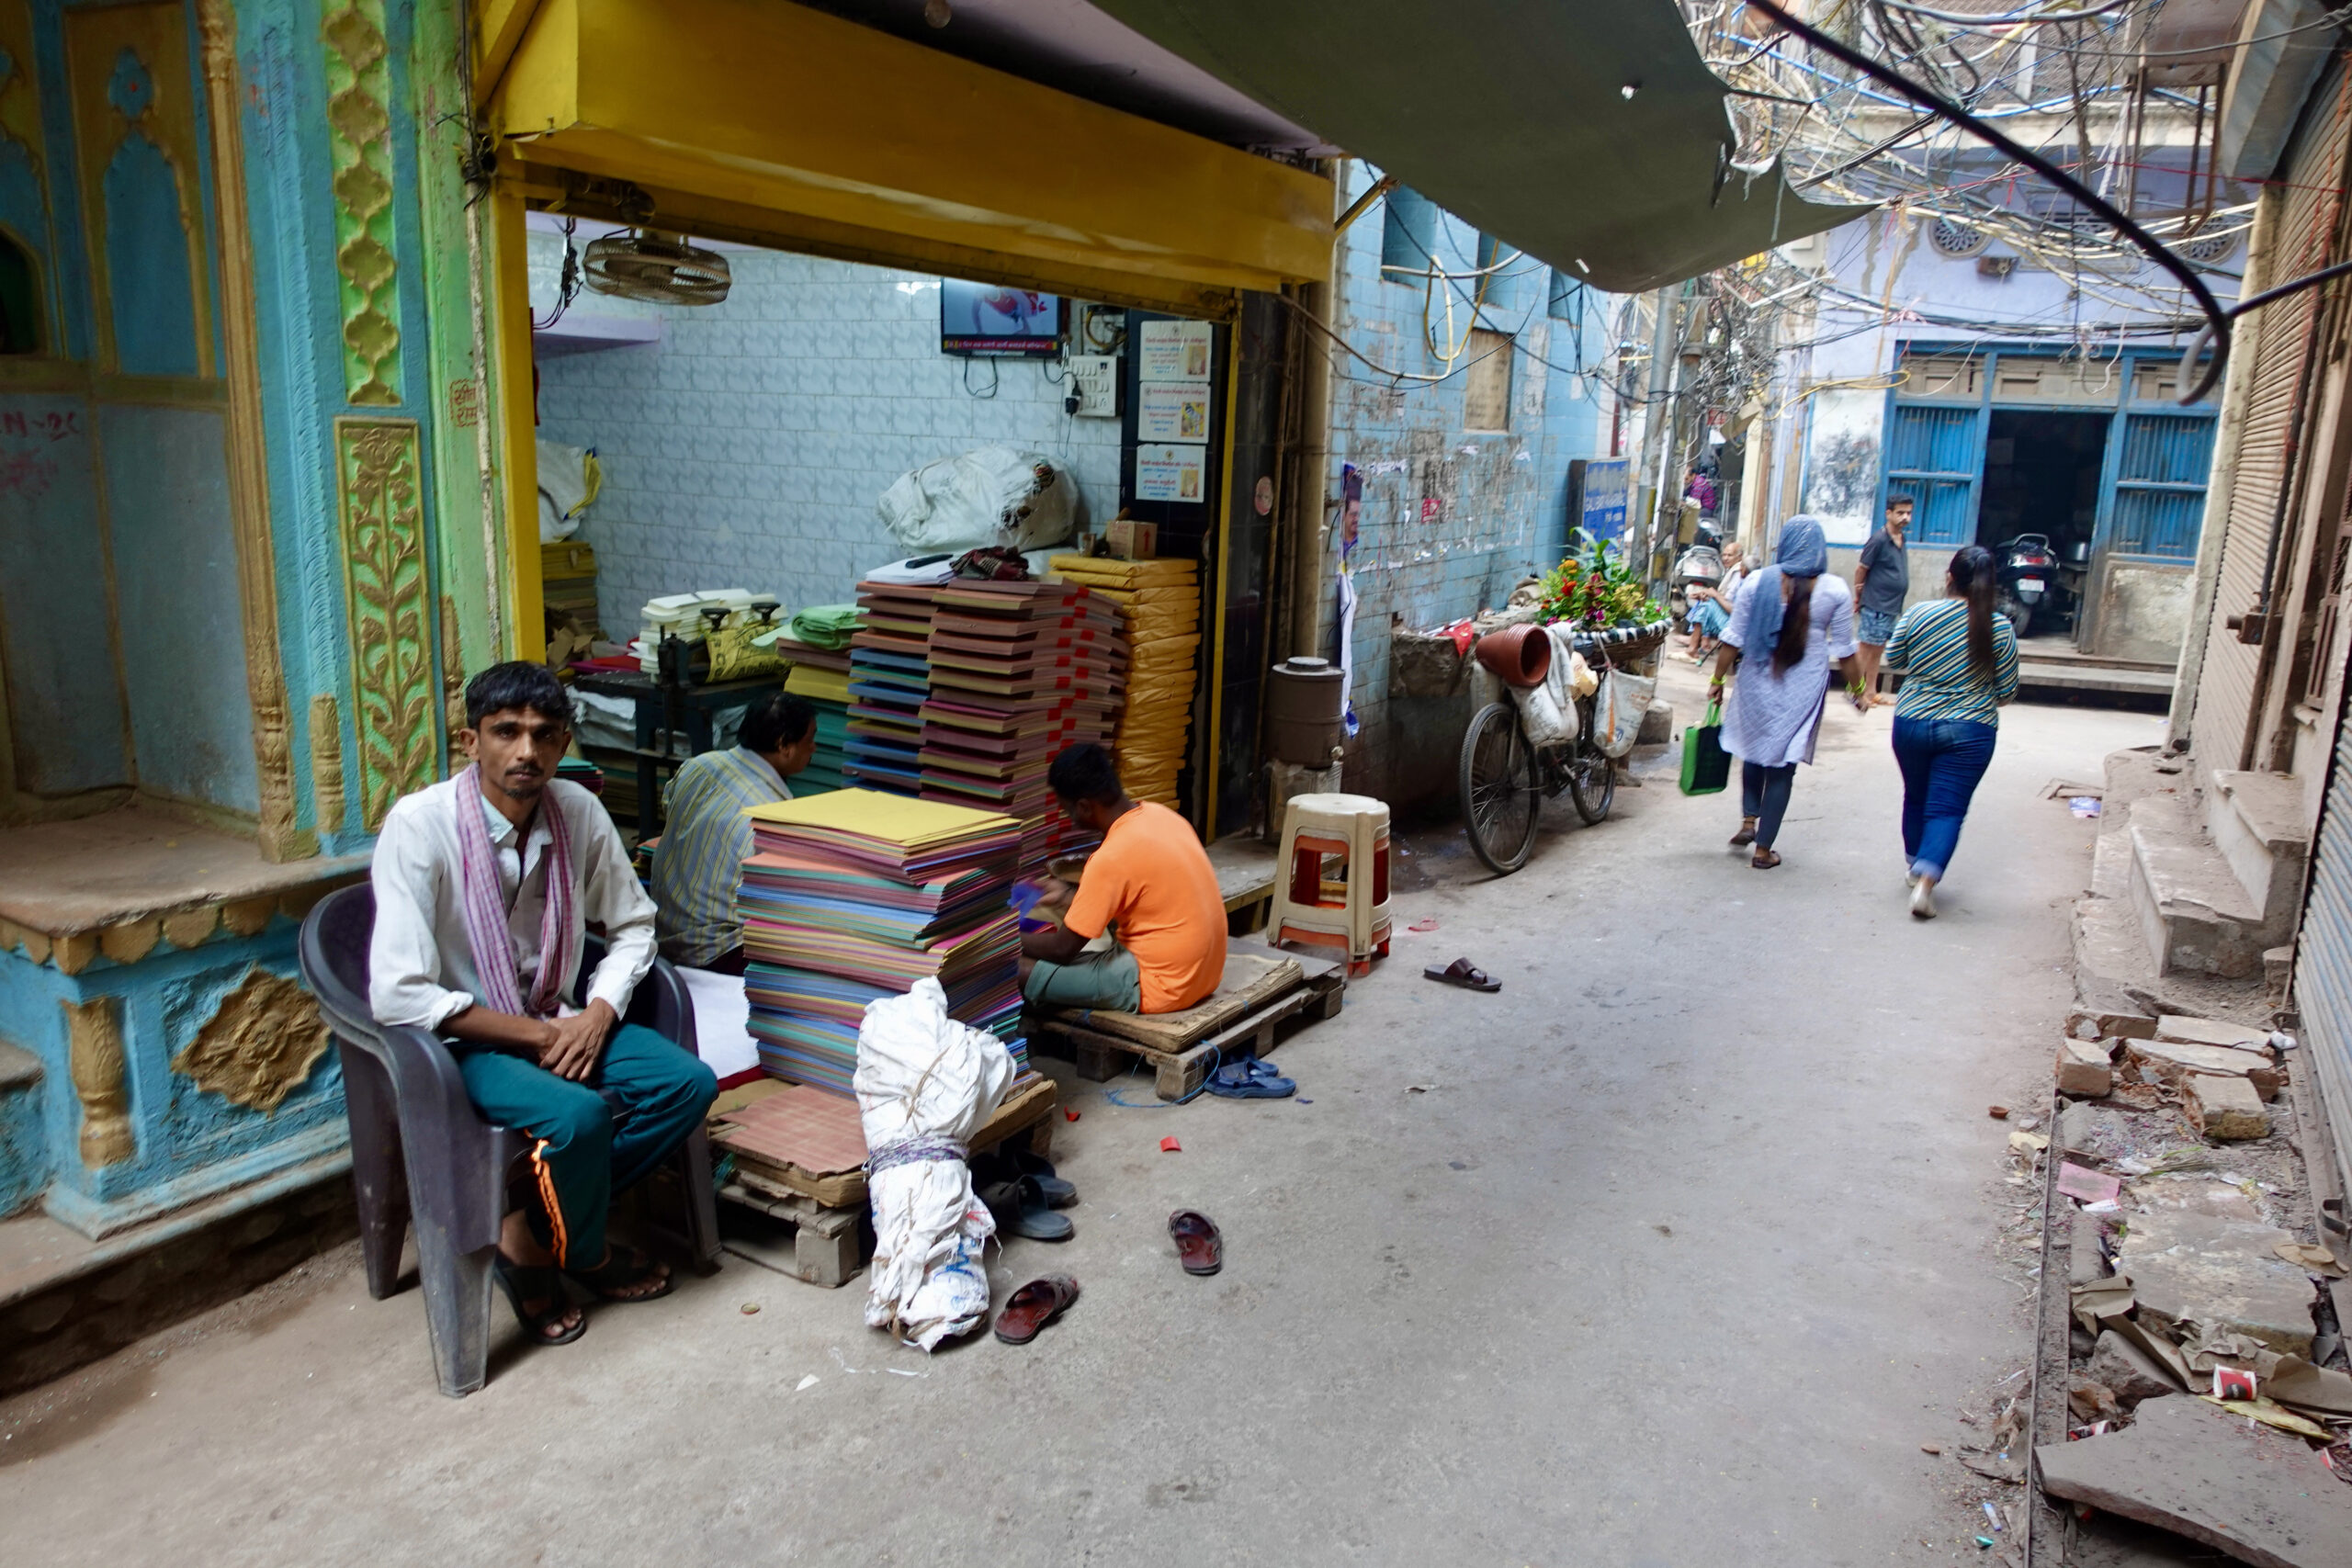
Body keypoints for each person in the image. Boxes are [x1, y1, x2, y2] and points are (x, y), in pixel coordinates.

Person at [369, 662, 718, 1348]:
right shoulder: (419, 826)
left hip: (560, 1017)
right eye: (506, 732)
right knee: (580, 1116)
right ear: (472, 741)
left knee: (688, 1084)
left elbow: (634, 925)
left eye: (544, 735)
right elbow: (399, 991)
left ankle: (528, 1217)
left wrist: (595, 1015)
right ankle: (579, 1252)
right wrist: (534, 1035)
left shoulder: (578, 810)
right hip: (463, 1040)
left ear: (563, 744)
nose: (526, 751)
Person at [1710, 516, 1869, 870]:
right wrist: (1859, 689)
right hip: (1803, 685)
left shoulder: (1756, 584)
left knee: (1753, 749)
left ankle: (1749, 821)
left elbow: (1732, 639)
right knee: (1782, 764)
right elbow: (1845, 651)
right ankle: (1763, 850)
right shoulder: (1834, 590)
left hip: (1756, 677)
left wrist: (1717, 681)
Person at [1020, 743, 1226, 1013]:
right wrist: (1067, 896)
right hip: (1205, 975)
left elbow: (1062, 950)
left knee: (1016, 970)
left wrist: (1006, 940)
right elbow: (1135, 894)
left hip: (1162, 985)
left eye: (1066, 810)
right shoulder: (1162, 816)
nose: (1068, 819)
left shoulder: (1110, 857)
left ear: (1083, 807)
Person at [1884, 545, 2019, 919]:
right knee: (1947, 809)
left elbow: (1894, 659)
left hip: (1912, 721)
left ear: (1949, 578)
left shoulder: (1919, 614)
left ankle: (1916, 867)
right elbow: (2006, 693)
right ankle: (1927, 881)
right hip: (1970, 730)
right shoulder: (2001, 629)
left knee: (1916, 794)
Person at [652, 692, 818, 973]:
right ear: (784, 745)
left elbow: (671, 810)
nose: (814, 748)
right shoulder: (772, 814)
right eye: (810, 739)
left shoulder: (698, 766)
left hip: (660, 932)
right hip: (713, 952)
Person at [1853, 493, 1914, 705]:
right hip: (1875, 603)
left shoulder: (1901, 539)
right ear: (1888, 513)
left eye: (1908, 513)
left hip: (1891, 606)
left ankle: (1871, 691)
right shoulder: (1878, 539)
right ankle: (1856, 692)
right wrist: (1858, 595)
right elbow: (1862, 569)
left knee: (1878, 649)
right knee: (1865, 649)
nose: (1905, 517)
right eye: (1900, 513)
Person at [1686, 537, 1747, 662]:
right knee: (1706, 601)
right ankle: (1697, 644)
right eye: (1724, 555)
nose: (1725, 558)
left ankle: (1693, 647)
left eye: (1729, 555)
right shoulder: (1732, 570)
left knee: (1706, 605)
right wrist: (1707, 594)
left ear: (1739, 556)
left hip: (1735, 619)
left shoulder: (1737, 572)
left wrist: (1713, 594)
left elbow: (1730, 604)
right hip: (1730, 616)